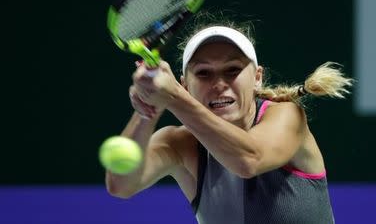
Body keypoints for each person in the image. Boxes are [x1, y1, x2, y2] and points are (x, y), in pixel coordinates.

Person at [105, 15, 353, 224]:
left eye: (232, 70)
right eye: (204, 73)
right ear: (185, 84)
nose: (219, 84)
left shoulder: (286, 115)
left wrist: (174, 98)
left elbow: (248, 160)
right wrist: (147, 108)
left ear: (257, 77)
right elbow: (121, 184)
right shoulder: (180, 143)